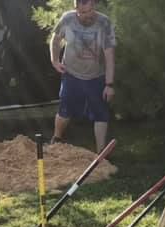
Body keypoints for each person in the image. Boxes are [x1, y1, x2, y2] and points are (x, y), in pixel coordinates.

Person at [49, 0, 116, 152]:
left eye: (90, 10)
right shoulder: (67, 19)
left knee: (101, 114)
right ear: (76, 8)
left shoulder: (104, 23)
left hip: (96, 76)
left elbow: (109, 55)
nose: (87, 15)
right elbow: (55, 39)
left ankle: (101, 153)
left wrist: (109, 84)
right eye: (83, 12)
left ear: (94, 6)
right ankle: (56, 139)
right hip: (71, 74)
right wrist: (54, 60)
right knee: (64, 110)